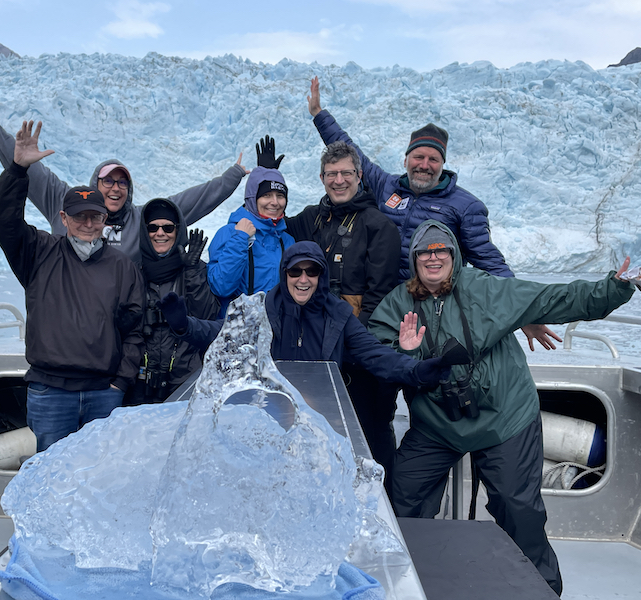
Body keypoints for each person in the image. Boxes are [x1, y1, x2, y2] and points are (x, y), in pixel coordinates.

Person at [369, 220, 638, 596]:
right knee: (402, 496)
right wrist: (405, 351)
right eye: (424, 252)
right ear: (414, 260)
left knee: (518, 508)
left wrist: (613, 289)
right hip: (437, 423)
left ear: (454, 255)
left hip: (504, 417)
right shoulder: (398, 303)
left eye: (441, 250)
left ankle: (541, 590)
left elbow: (554, 299)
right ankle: (402, 584)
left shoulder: (485, 289)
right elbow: (376, 356)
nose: (433, 258)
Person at [307, 77, 561, 352]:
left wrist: (525, 313)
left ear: (443, 163)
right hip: (385, 308)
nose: (424, 165)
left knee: (426, 385)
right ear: (406, 160)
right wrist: (319, 115)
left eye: (433, 159)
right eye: (418, 157)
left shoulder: (465, 206)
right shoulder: (386, 186)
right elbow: (350, 153)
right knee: (379, 382)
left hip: (434, 313)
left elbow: (491, 263)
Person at [0, 119, 144, 452]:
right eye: (79, 216)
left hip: (103, 393)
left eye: (95, 216)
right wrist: (17, 170)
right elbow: (3, 220)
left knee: (99, 476)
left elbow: (134, 330)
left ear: (104, 220)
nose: (87, 223)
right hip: (51, 392)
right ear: (63, 218)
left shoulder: (121, 267)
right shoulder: (38, 252)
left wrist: (120, 383)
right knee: (49, 478)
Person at [162, 241, 463, 395]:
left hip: (320, 412)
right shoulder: (264, 307)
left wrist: (420, 370)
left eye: (312, 271)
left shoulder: (339, 314)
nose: (303, 279)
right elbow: (221, 332)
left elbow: (378, 356)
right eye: (295, 271)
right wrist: (183, 325)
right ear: (285, 274)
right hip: (268, 405)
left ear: (322, 275)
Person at [0, 96, 249, 264]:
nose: (115, 188)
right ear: (96, 183)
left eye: (122, 183)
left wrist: (233, 176)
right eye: (108, 181)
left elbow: (192, 201)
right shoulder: (65, 203)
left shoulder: (143, 220)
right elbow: (27, 167)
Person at [282, 135, 402, 473]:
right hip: (321, 356)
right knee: (323, 438)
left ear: (359, 176)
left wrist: (347, 348)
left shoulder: (379, 227)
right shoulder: (312, 219)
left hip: (359, 358)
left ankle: (384, 510)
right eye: (331, 174)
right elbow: (269, 222)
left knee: (371, 437)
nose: (339, 180)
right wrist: (263, 177)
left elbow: (379, 301)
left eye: (346, 173)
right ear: (321, 178)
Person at [128, 197, 219, 403]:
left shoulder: (194, 268)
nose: (160, 233)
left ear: (178, 231)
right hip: (139, 383)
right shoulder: (133, 271)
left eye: (168, 228)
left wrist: (192, 271)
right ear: (145, 231)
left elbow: (207, 316)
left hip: (184, 381)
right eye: (153, 227)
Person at [207, 152, 295, 315]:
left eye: (280, 196)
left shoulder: (286, 240)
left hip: (278, 328)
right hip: (237, 331)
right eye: (266, 195)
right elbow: (221, 287)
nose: (274, 202)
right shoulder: (229, 234)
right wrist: (240, 239)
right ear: (252, 198)